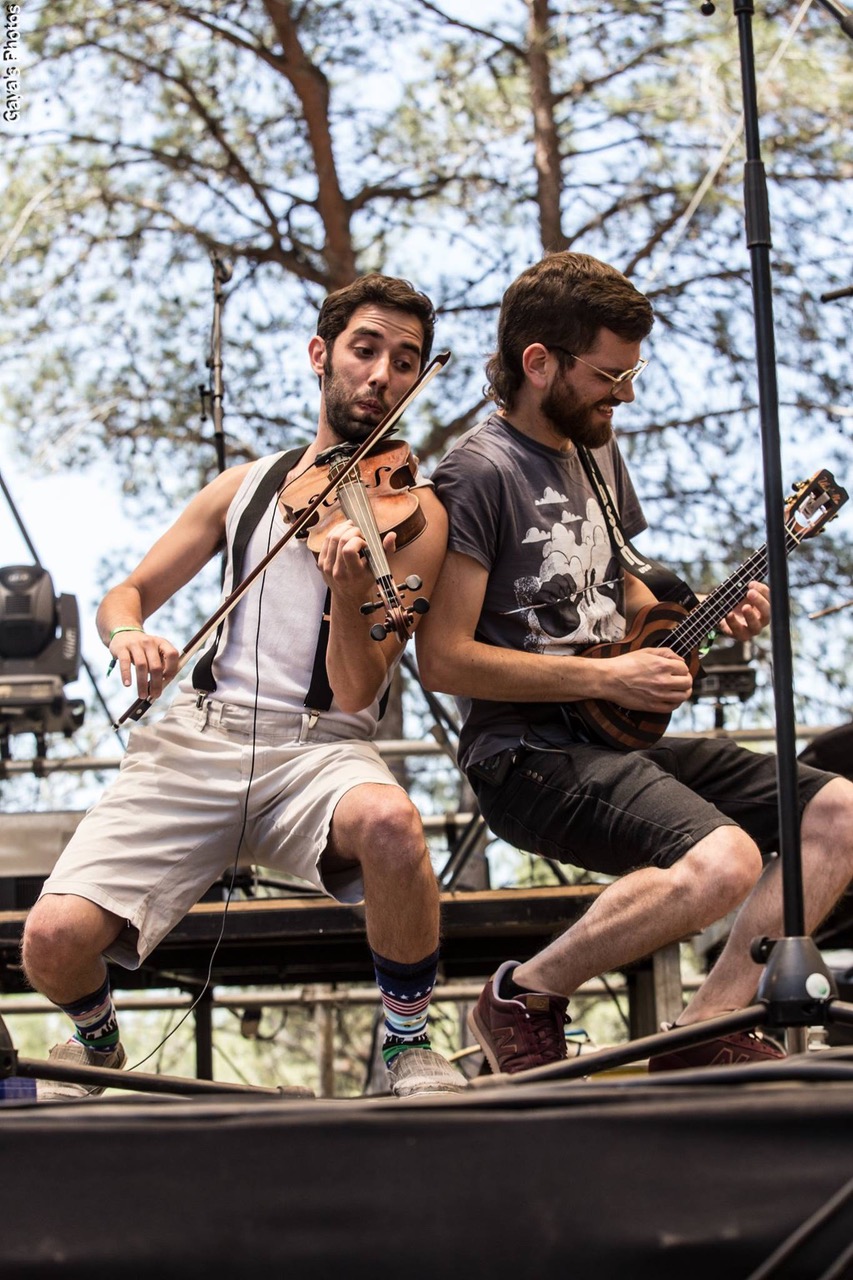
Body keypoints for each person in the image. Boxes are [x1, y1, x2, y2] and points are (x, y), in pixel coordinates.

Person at [22, 273, 467, 1100]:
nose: (382, 374)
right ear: (320, 355)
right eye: (365, 349)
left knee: (394, 825)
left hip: (319, 752)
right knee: (50, 941)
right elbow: (127, 596)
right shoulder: (245, 486)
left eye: (405, 362)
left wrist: (345, 589)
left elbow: (361, 685)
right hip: (196, 739)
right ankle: (99, 1043)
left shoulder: (418, 514)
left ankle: (408, 1042)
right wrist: (130, 636)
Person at [416, 251, 853, 1075]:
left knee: (838, 813)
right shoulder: (477, 473)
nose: (625, 392)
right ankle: (522, 994)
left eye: (632, 370)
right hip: (525, 755)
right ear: (538, 363)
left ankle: (709, 1028)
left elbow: (622, 596)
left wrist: (705, 623)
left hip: (611, 743)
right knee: (720, 859)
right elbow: (441, 659)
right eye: (608, 374)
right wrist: (604, 677)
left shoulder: (595, 452)